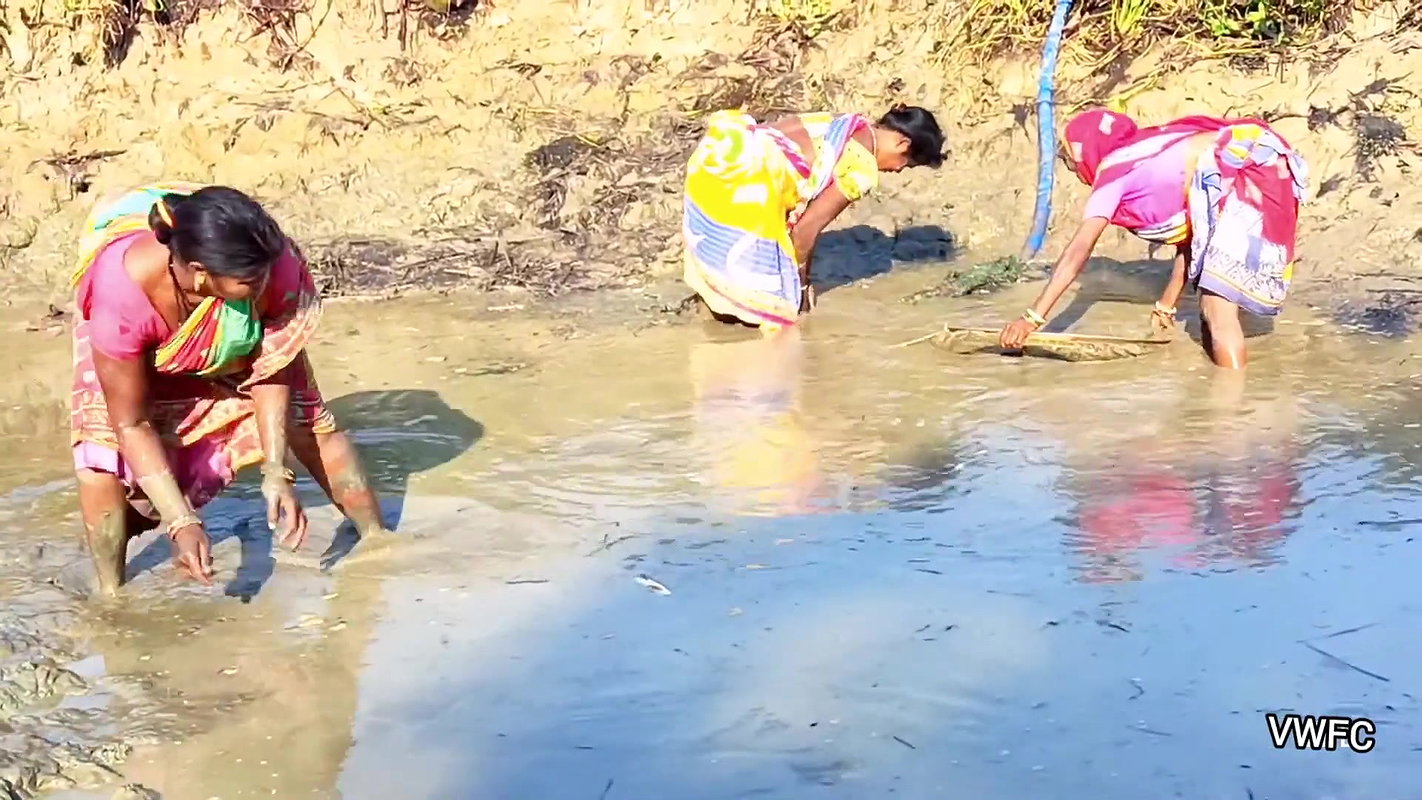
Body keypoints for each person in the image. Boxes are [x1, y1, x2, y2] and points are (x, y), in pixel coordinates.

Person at [69, 182, 391, 596]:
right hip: (133, 320)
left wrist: (277, 472)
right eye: (253, 281)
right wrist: (182, 521)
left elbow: (271, 368)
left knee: (307, 420)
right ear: (201, 275)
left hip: (211, 253)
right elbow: (130, 423)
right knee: (101, 454)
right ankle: (111, 593)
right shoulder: (122, 294)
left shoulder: (269, 262)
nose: (266, 282)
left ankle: (378, 541)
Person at [998, 108, 1309, 368]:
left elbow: (1079, 250)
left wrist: (1031, 318)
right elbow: (1192, 238)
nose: (1074, 170)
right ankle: (1220, 398)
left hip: (1249, 166)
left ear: (1086, 151)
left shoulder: (1114, 170)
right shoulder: (1146, 152)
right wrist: (1167, 304)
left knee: (1217, 309)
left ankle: (1232, 415)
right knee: (1208, 304)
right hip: (1266, 159)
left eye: (1068, 160)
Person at [682, 104, 947, 330]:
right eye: (907, 163)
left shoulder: (843, 122)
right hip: (745, 181)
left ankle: (712, 301)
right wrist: (799, 287)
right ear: (903, 143)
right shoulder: (862, 167)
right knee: (778, 311)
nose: (899, 170)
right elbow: (805, 230)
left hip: (719, 152)